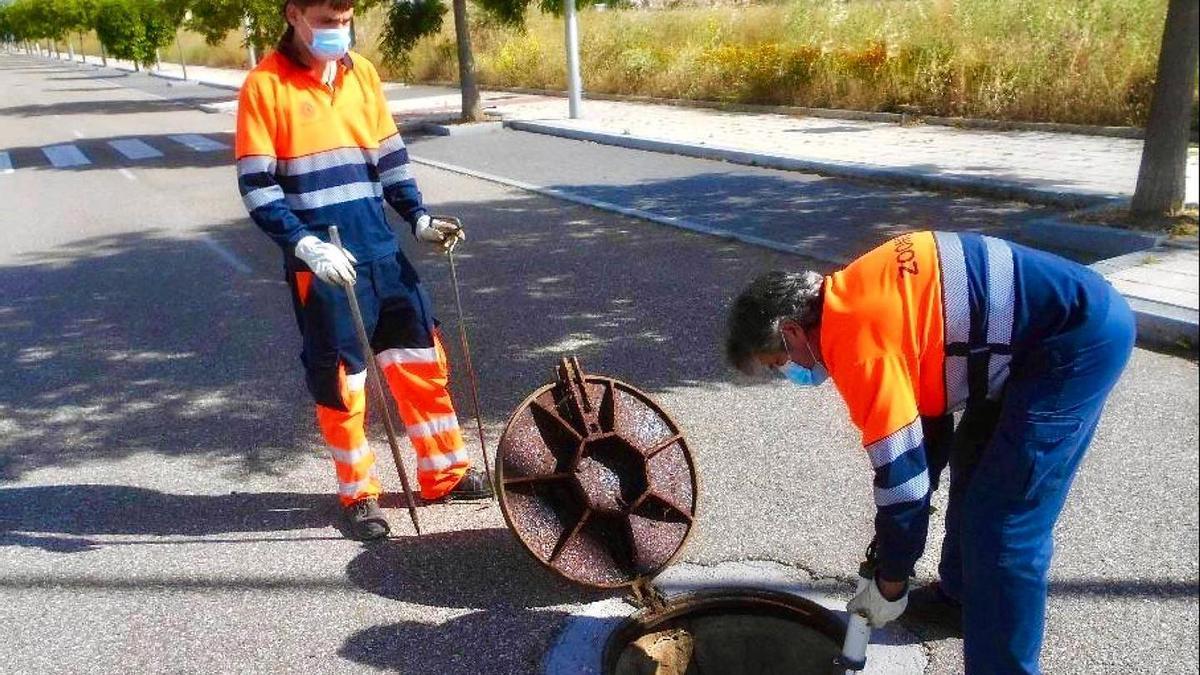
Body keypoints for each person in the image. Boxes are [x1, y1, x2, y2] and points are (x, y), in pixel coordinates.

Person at [724, 231, 1134, 673]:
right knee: (975, 464)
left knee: (1003, 527)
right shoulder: (852, 292)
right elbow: (926, 434)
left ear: (790, 331)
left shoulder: (857, 346)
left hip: (1071, 339)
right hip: (1027, 339)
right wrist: (891, 553)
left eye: (776, 363)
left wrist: (890, 581)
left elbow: (904, 480)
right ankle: (959, 598)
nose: (789, 373)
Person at [234, 0, 490, 541]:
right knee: (342, 383)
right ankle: (360, 495)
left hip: (381, 250)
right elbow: (257, 186)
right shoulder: (265, 86)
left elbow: (392, 160)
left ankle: (443, 474)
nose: (339, 31)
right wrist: (304, 246)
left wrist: (417, 217)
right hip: (324, 264)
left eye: (346, 20)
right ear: (295, 15)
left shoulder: (362, 74)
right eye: (328, 21)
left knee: (421, 359)